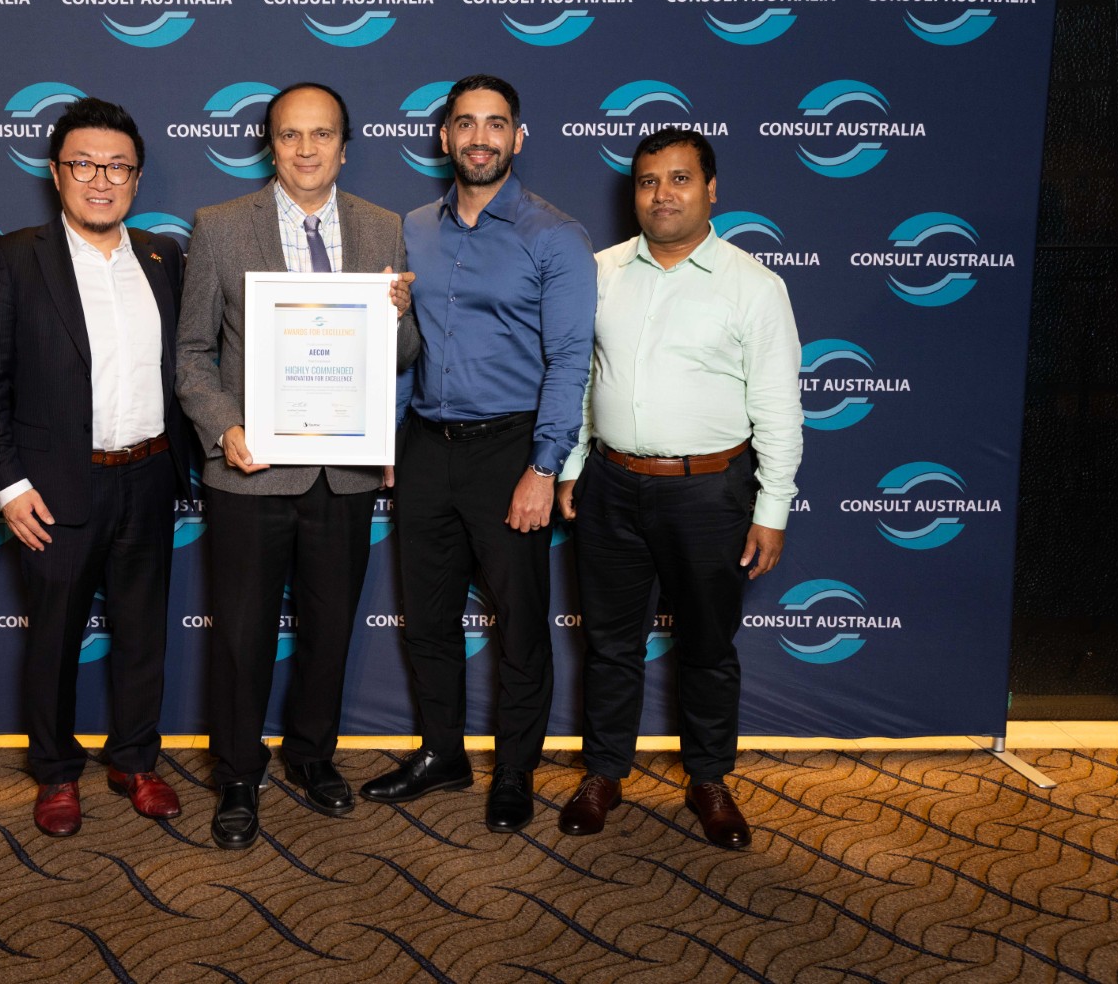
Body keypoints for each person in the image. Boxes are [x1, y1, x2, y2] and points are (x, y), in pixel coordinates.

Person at [175, 82, 419, 849]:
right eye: (290, 134)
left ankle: (312, 756)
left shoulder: (382, 228)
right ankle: (237, 774)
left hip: (342, 474)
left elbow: (401, 355)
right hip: (250, 471)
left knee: (330, 628)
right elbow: (192, 354)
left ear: (344, 147)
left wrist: (399, 318)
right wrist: (224, 427)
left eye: (321, 135)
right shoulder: (219, 226)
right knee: (240, 636)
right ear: (269, 145)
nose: (306, 149)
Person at [553, 128, 803, 849]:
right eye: (648, 181)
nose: (662, 194)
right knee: (609, 646)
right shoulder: (598, 273)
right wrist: (570, 466)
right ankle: (603, 774)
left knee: (708, 647)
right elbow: (580, 379)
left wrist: (772, 509)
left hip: (710, 492)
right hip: (610, 485)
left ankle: (709, 779)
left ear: (711, 189)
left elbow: (778, 409)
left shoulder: (754, 286)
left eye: (680, 179)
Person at [361, 75, 596, 834]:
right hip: (426, 446)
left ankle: (516, 770)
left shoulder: (554, 235)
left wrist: (543, 466)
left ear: (517, 138)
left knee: (519, 625)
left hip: (510, 450)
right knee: (427, 619)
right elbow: (406, 346)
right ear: (444, 138)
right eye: (465, 123)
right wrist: (389, 436)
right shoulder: (411, 229)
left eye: (496, 124)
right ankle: (442, 755)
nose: (480, 138)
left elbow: (570, 362)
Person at [0, 98, 192, 837]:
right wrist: (9, 484)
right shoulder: (14, 257)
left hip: (149, 475)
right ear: (56, 173)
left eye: (118, 167)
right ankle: (56, 773)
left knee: (143, 633)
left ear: (137, 177)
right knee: (54, 640)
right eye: (84, 164)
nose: (101, 180)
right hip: (54, 486)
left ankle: (135, 760)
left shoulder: (163, 256)